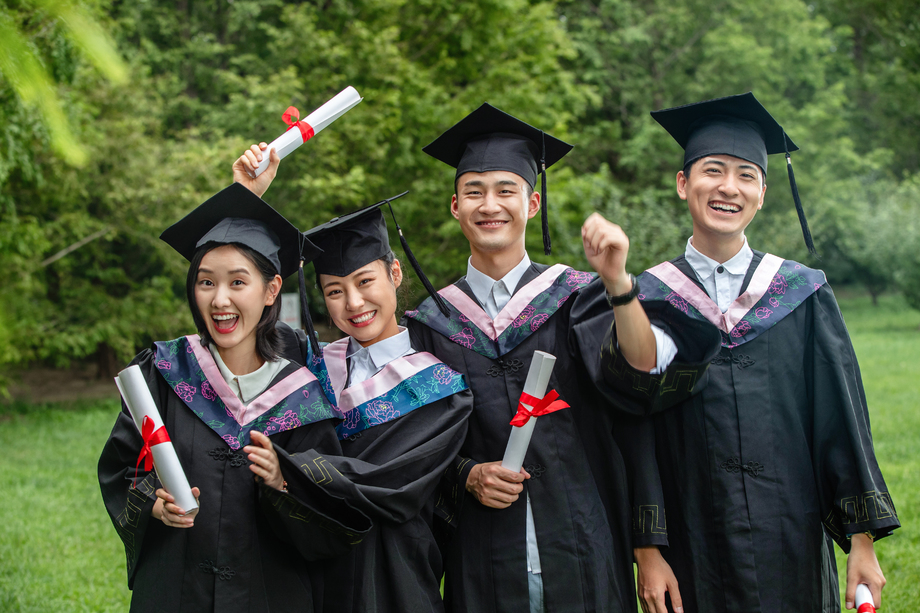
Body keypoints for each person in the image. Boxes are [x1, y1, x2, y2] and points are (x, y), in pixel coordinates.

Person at [403, 103, 719, 613]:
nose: (490, 205)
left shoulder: (578, 298)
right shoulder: (430, 323)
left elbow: (639, 392)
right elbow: (419, 446)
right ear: (455, 206)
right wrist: (467, 474)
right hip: (483, 560)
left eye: (506, 190)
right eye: (475, 192)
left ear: (531, 204)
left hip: (584, 543)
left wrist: (649, 546)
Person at [601, 92, 900, 612]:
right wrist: (648, 548)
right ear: (682, 183)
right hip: (694, 541)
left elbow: (840, 416)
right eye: (712, 170)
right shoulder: (645, 297)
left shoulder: (801, 292)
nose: (728, 187)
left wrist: (861, 540)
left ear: (763, 192)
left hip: (790, 532)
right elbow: (633, 430)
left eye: (745, 175)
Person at [98, 183, 372, 612]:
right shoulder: (165, 372)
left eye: (238, 281)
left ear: (270, 290)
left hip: (269, 594)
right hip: (175, 590)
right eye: (206, 282)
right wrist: (154, 504)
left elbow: (331, 520)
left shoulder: (304, 397)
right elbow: (121, 467)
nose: (219, 299)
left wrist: (285, 480)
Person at [233, 146, 474, 613]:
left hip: (391, 574)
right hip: (306, 566)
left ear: (394, 273)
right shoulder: (309, 362)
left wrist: (293, 472)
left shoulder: (439, 388)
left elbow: (393, 484)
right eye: (334, 291)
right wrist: (247, 199)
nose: (353, 303)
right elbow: (240, 312)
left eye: (365, 282)